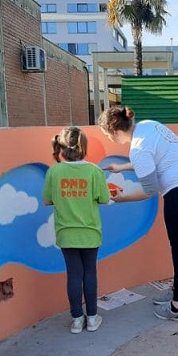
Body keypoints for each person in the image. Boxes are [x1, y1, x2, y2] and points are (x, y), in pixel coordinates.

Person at [98, 106, 178, 322]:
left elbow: (148, 190)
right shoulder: (149, 126)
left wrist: (121, 198)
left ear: (115, 132)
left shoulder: (138, 148)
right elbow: (152, 159)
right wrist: (122, 168)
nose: (108, 138)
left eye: (106, 135)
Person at [42, 126, 111, 333]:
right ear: (84, 147)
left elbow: (47, 200)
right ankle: (92, 318)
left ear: (62, 147)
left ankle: (76, 320)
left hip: (65, 232)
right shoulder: (94, 171)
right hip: (90, 232)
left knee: (73, 274)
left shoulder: (54, 171)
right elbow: (105, 199)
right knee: (89, 272)